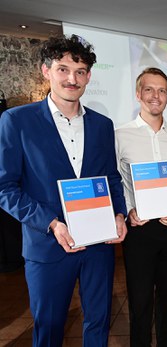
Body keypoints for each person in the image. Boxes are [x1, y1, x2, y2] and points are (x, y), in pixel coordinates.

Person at [0, 34, 127, 346]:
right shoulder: (17, 120)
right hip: (47, 244)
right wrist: (52, 223)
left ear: (89, 76)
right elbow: (5, 187)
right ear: (46, 71)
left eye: (80, 71)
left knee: (98, 322)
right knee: (49, 327)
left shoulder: (102, 124)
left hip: (98, 244)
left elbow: (110, 177)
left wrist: (120, 214)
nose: (73, 79)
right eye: (63, 69)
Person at [115, 67, 167, 347]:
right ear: (138, 93)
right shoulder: (120, 135)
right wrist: (128, 209)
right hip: (139, 230)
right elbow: (113, 180)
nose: (155, 96)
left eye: (162, 90)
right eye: (149, 89)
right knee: (140, 301)